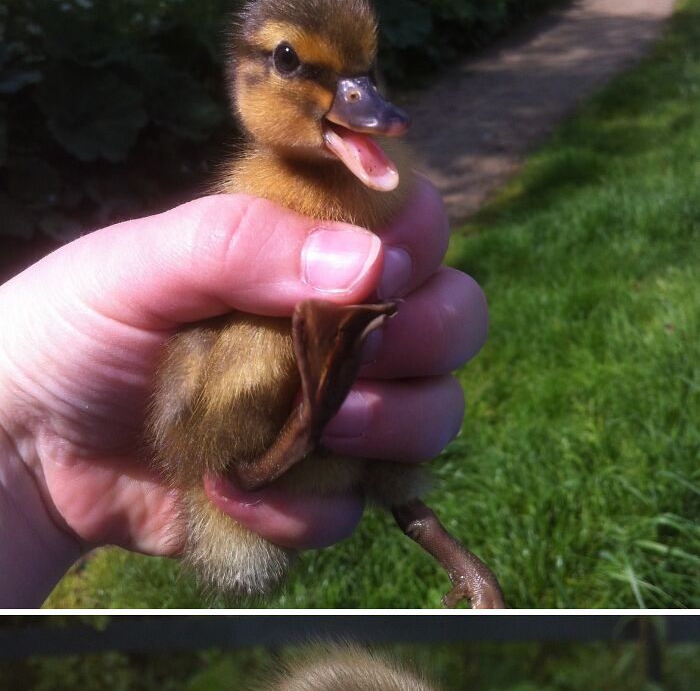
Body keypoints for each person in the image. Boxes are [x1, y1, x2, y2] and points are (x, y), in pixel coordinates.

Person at [0, 177, 488, 607]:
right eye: (290, 65)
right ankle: (284, 446)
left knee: (370, 421)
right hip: (246, 444)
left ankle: (460, 563)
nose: (356, 98)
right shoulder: (263, 196)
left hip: (299, 433)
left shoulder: (373, 180)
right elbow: (194, 417)